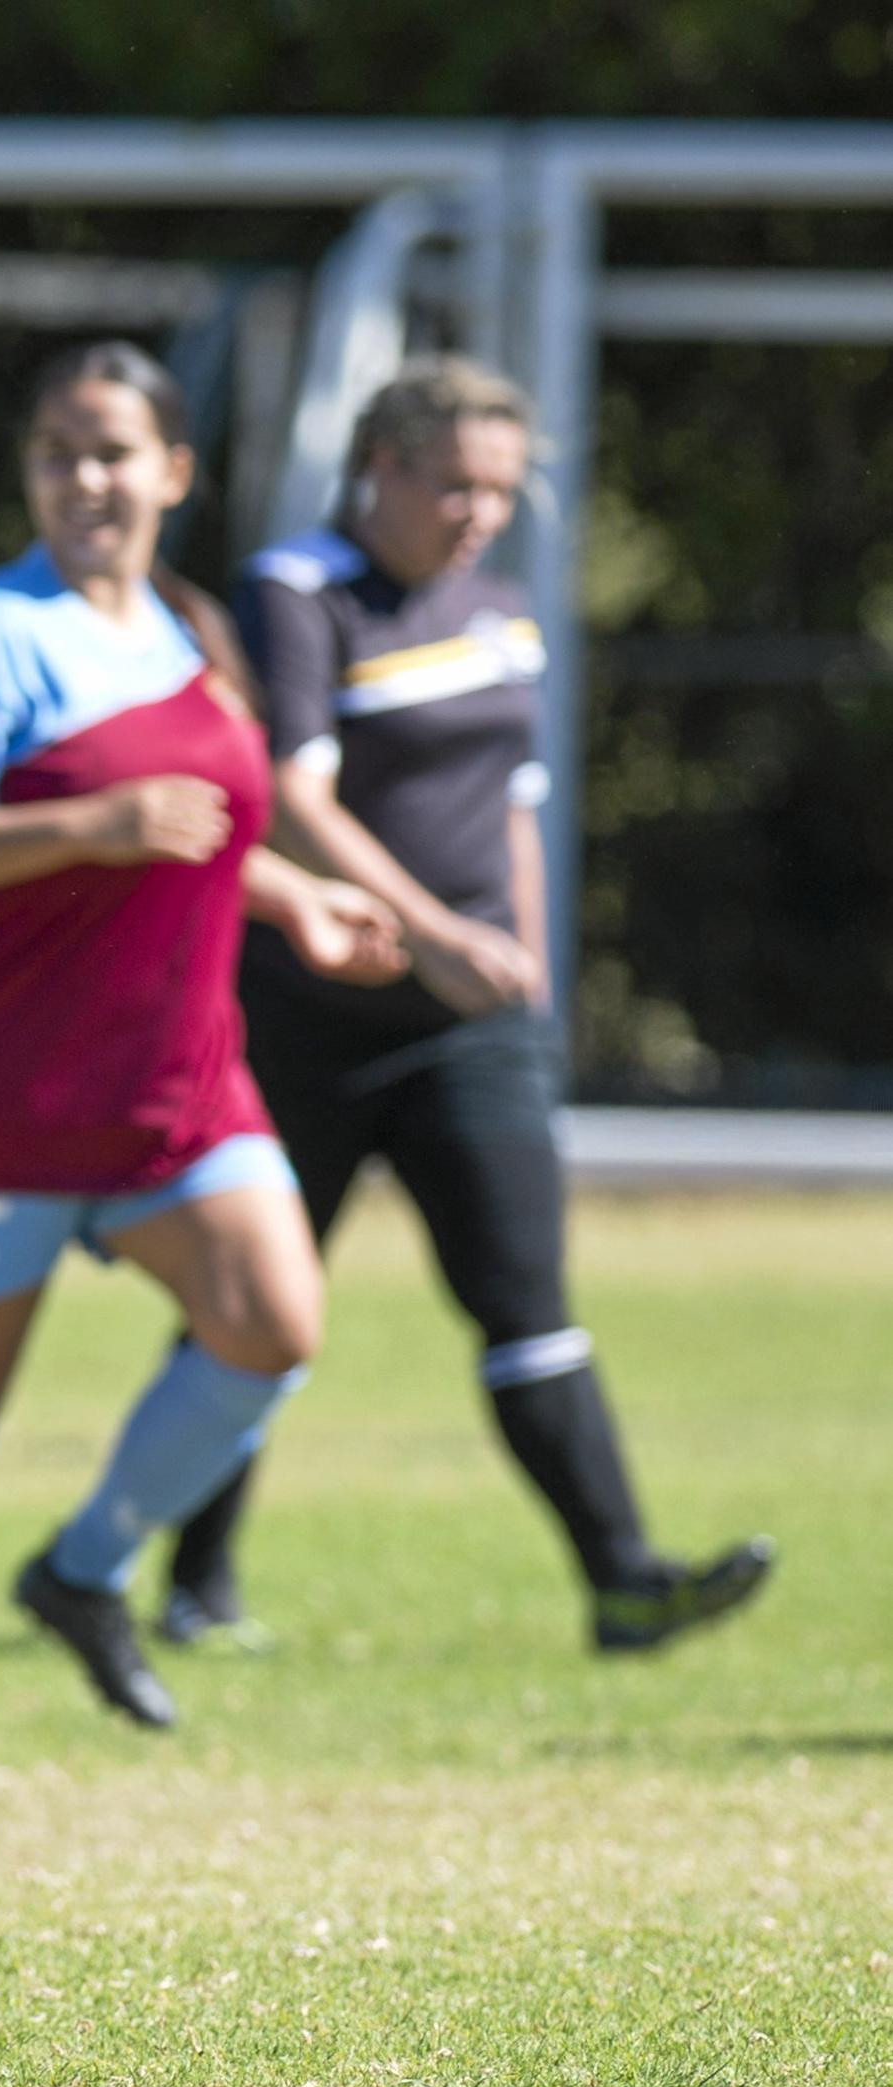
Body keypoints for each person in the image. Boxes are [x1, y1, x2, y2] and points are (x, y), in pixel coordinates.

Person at [0, 340, 406, 1767]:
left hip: (172, 1077)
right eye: (54, 452)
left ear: (171, 471)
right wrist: (85, 824)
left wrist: (297, 896)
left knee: (273, 1323)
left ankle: (81, 1569)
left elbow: (201, 826)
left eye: (109, 451)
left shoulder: (190, 629)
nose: (82, 478)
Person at [161, 355, 772, 1656]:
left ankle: (623, 1579)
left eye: (499, 489)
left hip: (464, 1028)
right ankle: (174, 1580)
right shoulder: (298, 592)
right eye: (454, 484)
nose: (480, 513)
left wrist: (521, 955)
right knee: (249, 1311)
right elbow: (296, 799)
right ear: (377, 469)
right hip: (306, 1020)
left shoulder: (495, 608)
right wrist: (432, 937)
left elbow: (515, 799)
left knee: (525, 1299)